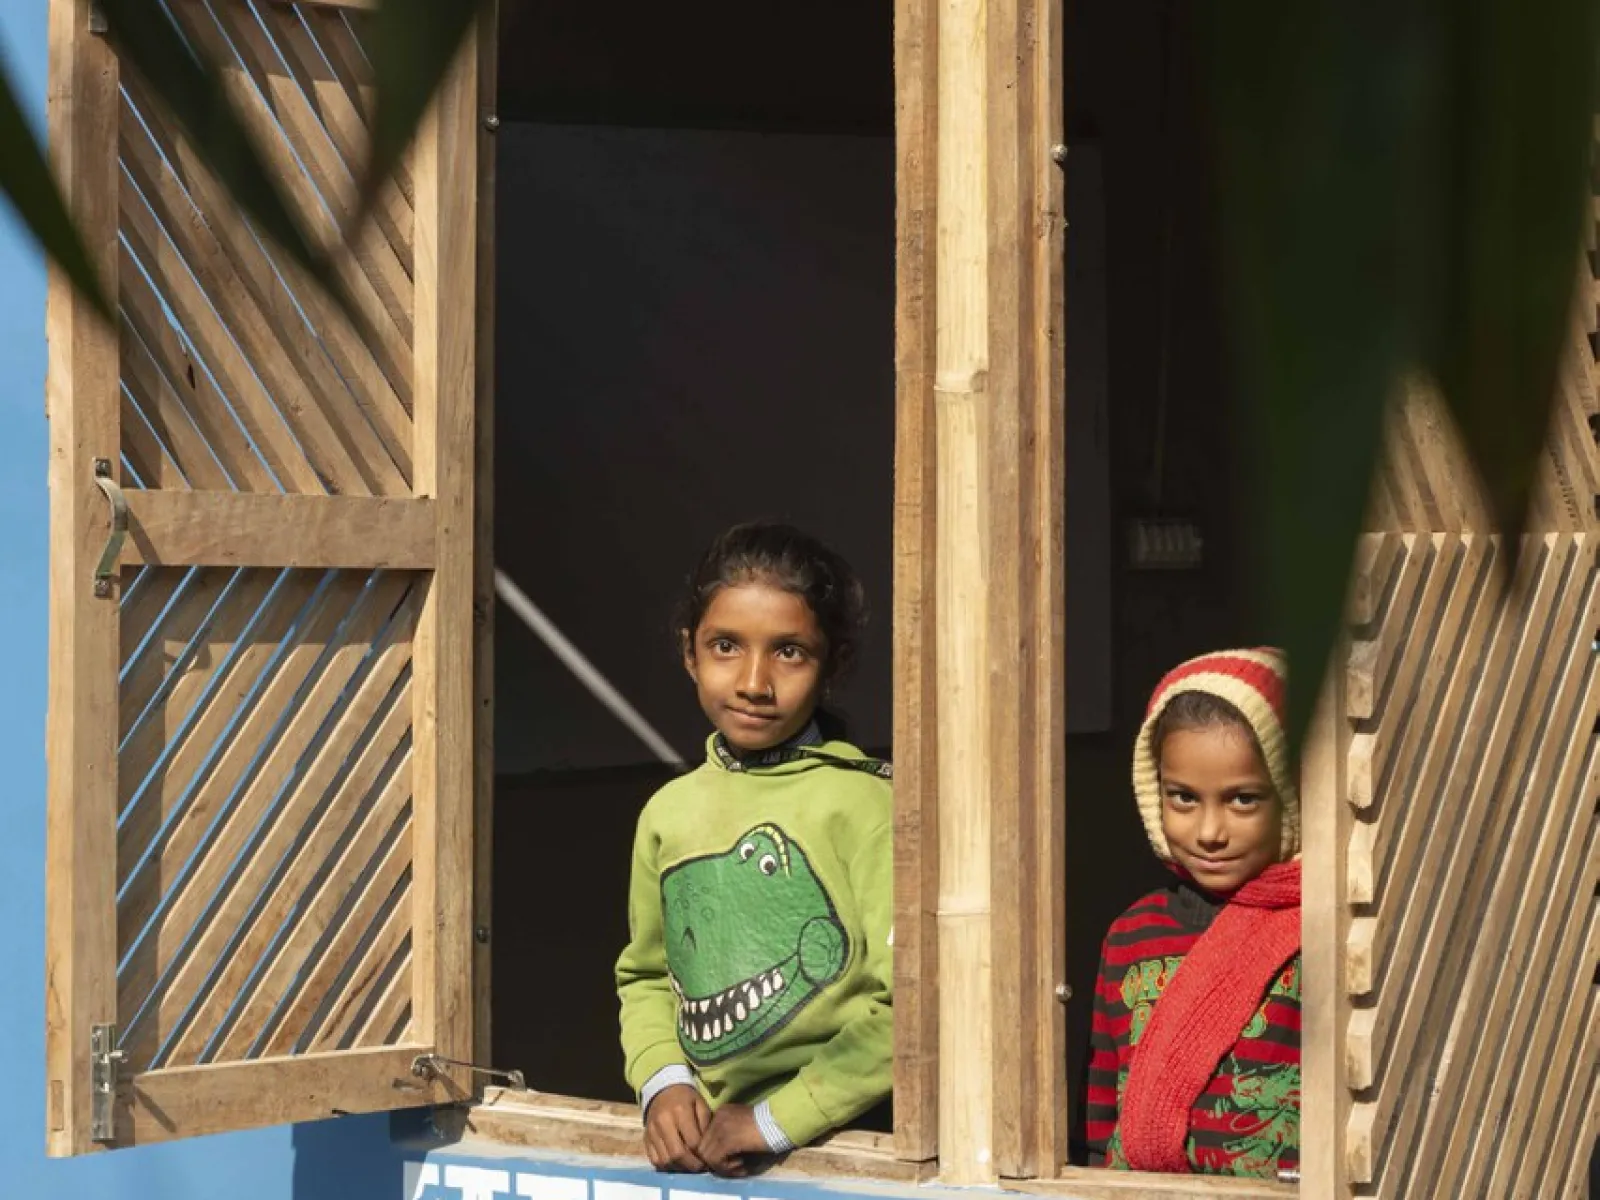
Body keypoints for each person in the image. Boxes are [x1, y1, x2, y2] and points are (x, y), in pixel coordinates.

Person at [615, 521, 893, 1177]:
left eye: (790, 652)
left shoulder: (868, 808)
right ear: (690, 652)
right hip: (704, 1155)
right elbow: (648, 976)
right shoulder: (668, 812)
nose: (753, 681)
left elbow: (907, 1009)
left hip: (850, 1151)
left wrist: (773, 1121)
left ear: (835, 664)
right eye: (726, 646)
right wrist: (662, 1082)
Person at [1084, 648, 1302, 1178]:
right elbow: (1101, 1111)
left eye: (1243, 800)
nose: (1209, 831)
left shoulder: (1321, 930)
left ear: (1295, 793)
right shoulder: (1132, 935)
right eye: (1183, 798)